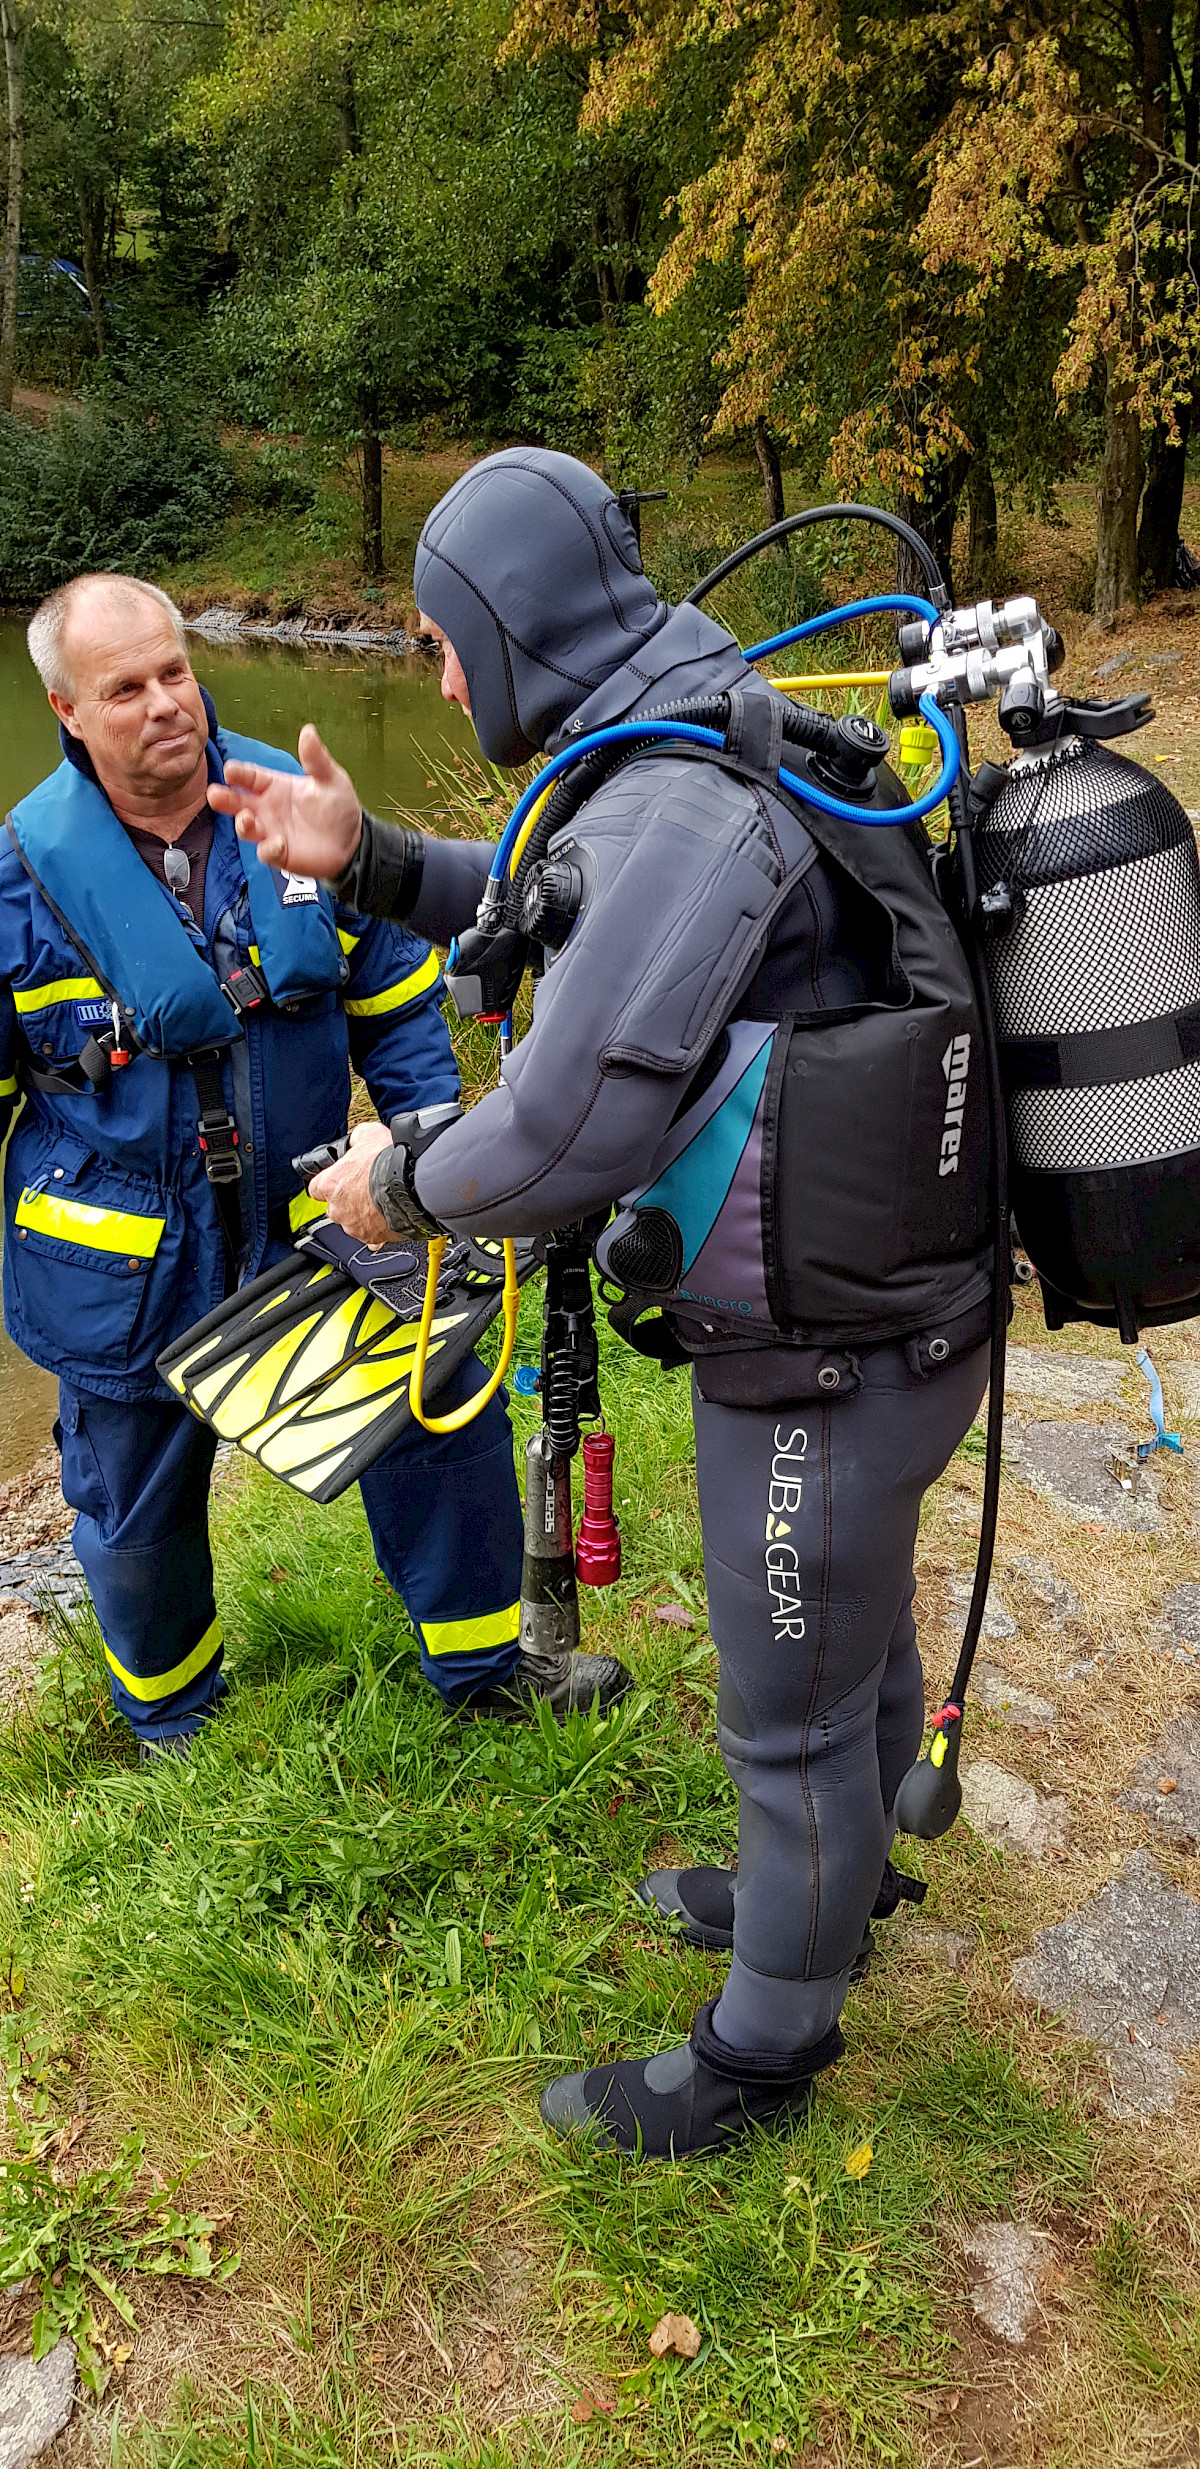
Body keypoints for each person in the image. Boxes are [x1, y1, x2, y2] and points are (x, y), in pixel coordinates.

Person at [207, 449, 993, 2158]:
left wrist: (391, 1184)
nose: (432, 672)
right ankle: (827, 1901)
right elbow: (571, 905)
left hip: (829, 1356)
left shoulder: (682, 802)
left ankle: (762, 2048)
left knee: (786, 1709)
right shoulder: (690, 714)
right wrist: (368, 859)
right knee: (846, 1650)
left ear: (507, 624)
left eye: (434, 640)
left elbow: (566, 1131)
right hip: (889, 1313)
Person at [0, 572, 622, 1762]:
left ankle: (488, 1673)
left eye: (175, 672)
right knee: (132, 1512)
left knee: (443, 1422)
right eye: (125, 688)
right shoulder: (15, 883)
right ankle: (177, 1722)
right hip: (125, 1262)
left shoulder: (300, 817)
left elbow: (394, 1008)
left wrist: (419, 1138)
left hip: (325, 1219)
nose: (165, 704)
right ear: (67, 709)